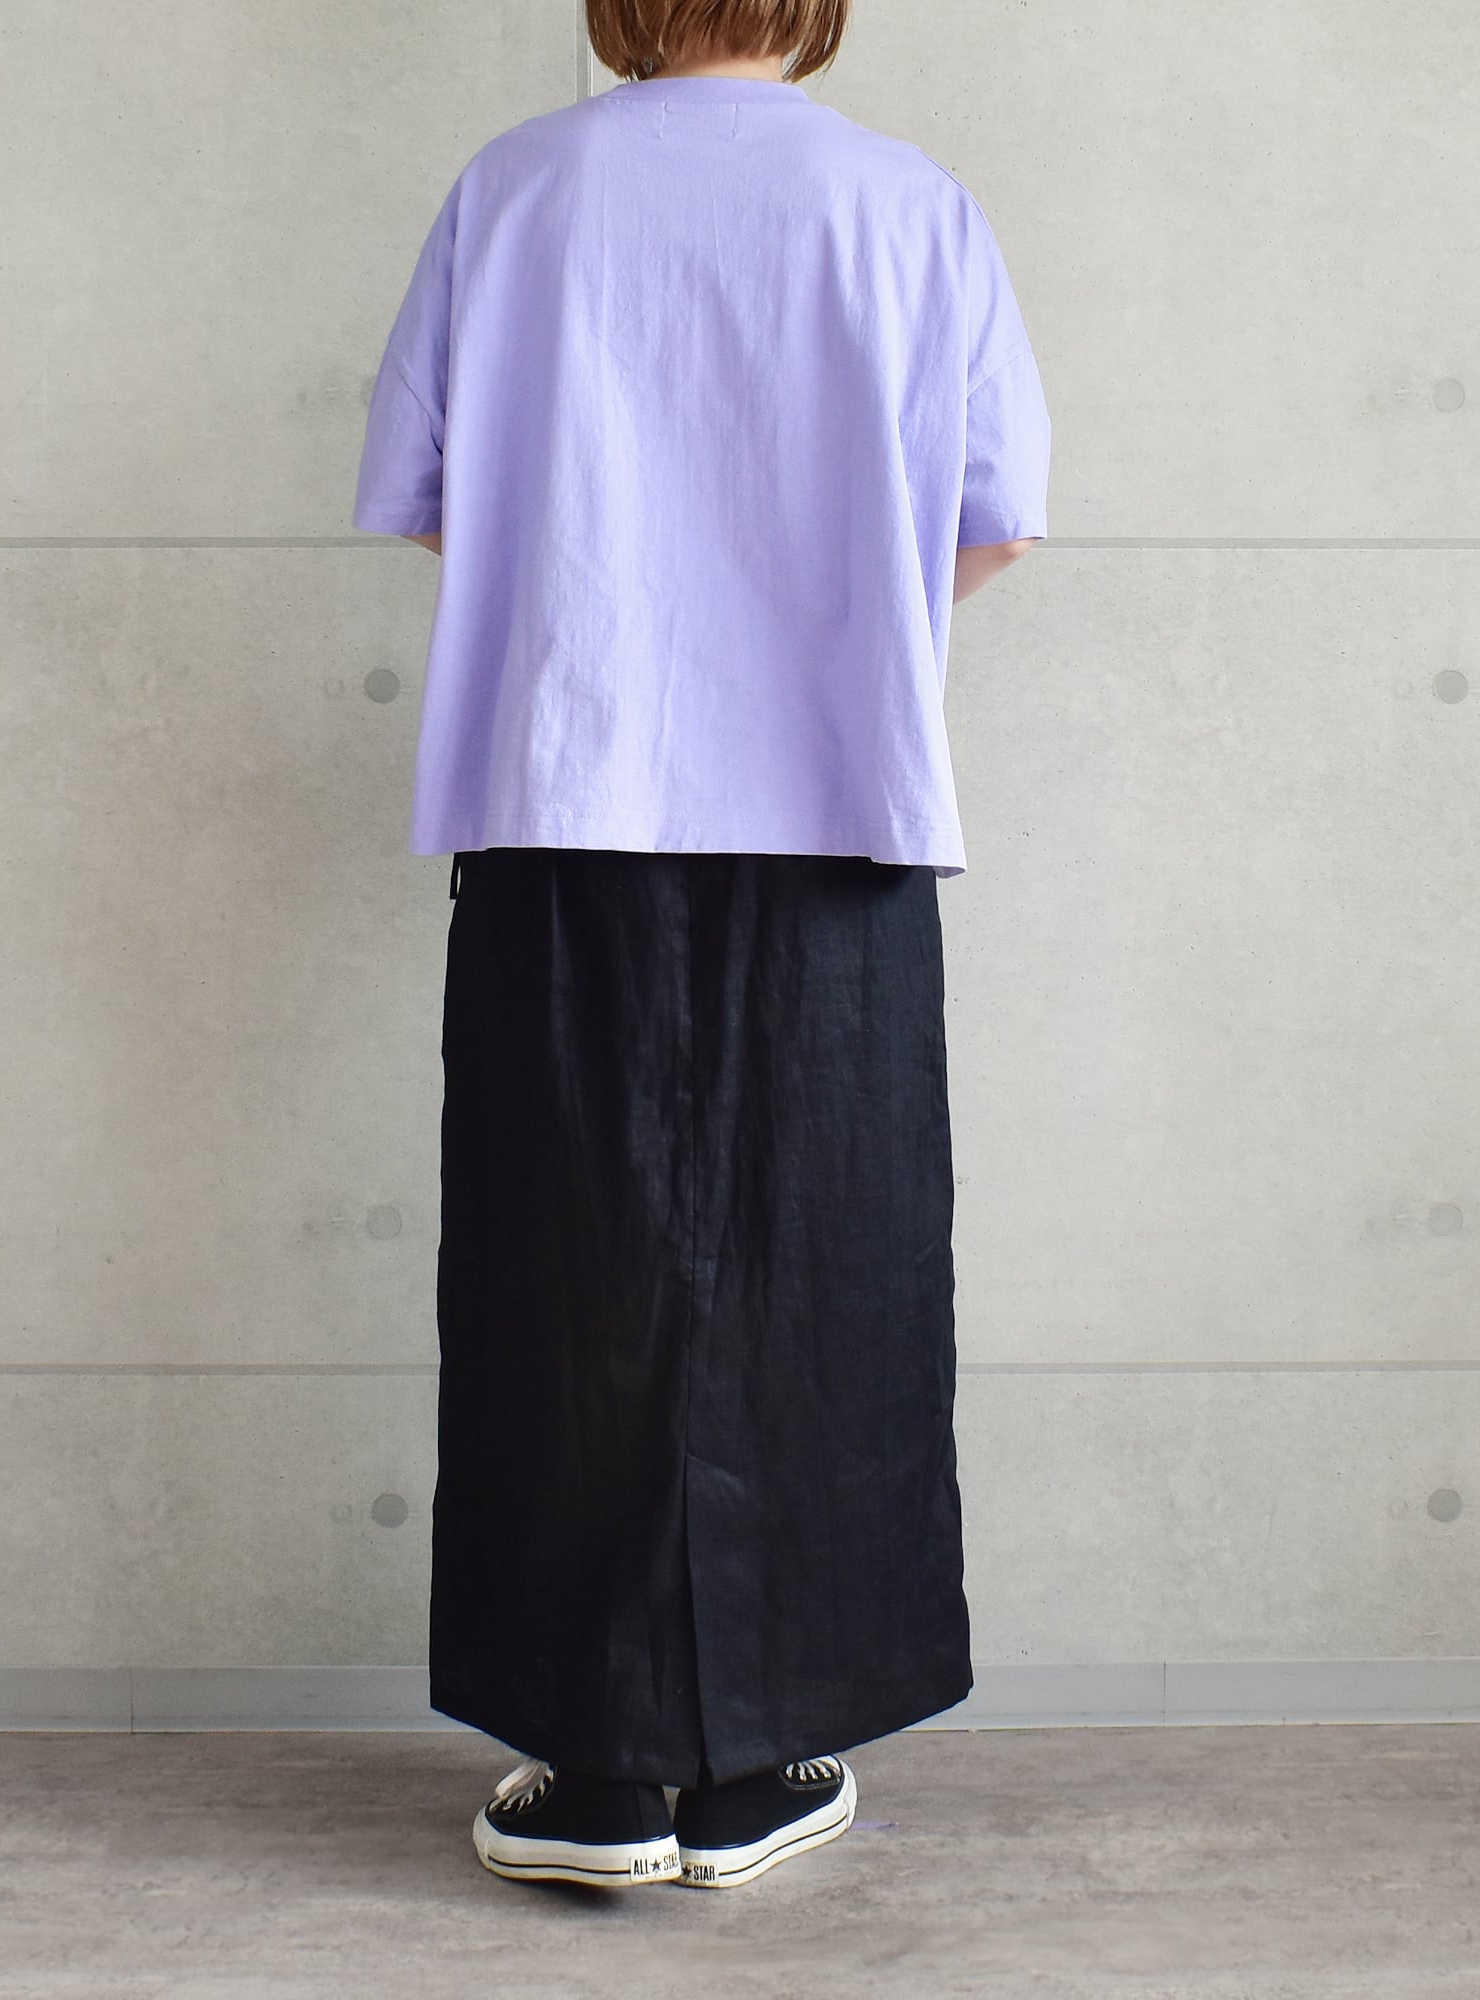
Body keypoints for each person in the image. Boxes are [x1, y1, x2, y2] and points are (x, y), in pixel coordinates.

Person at [351, 0, 1050, 1892]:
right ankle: (753, 1762)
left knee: (561, 1264)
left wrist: (602, 605)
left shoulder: (517, 188)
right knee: (827, 1264)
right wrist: (833, 625)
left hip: (566, 782)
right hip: (835, 796)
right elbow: (996, 518)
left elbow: (427, 496)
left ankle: (597, 1769)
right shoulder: (907, 203)